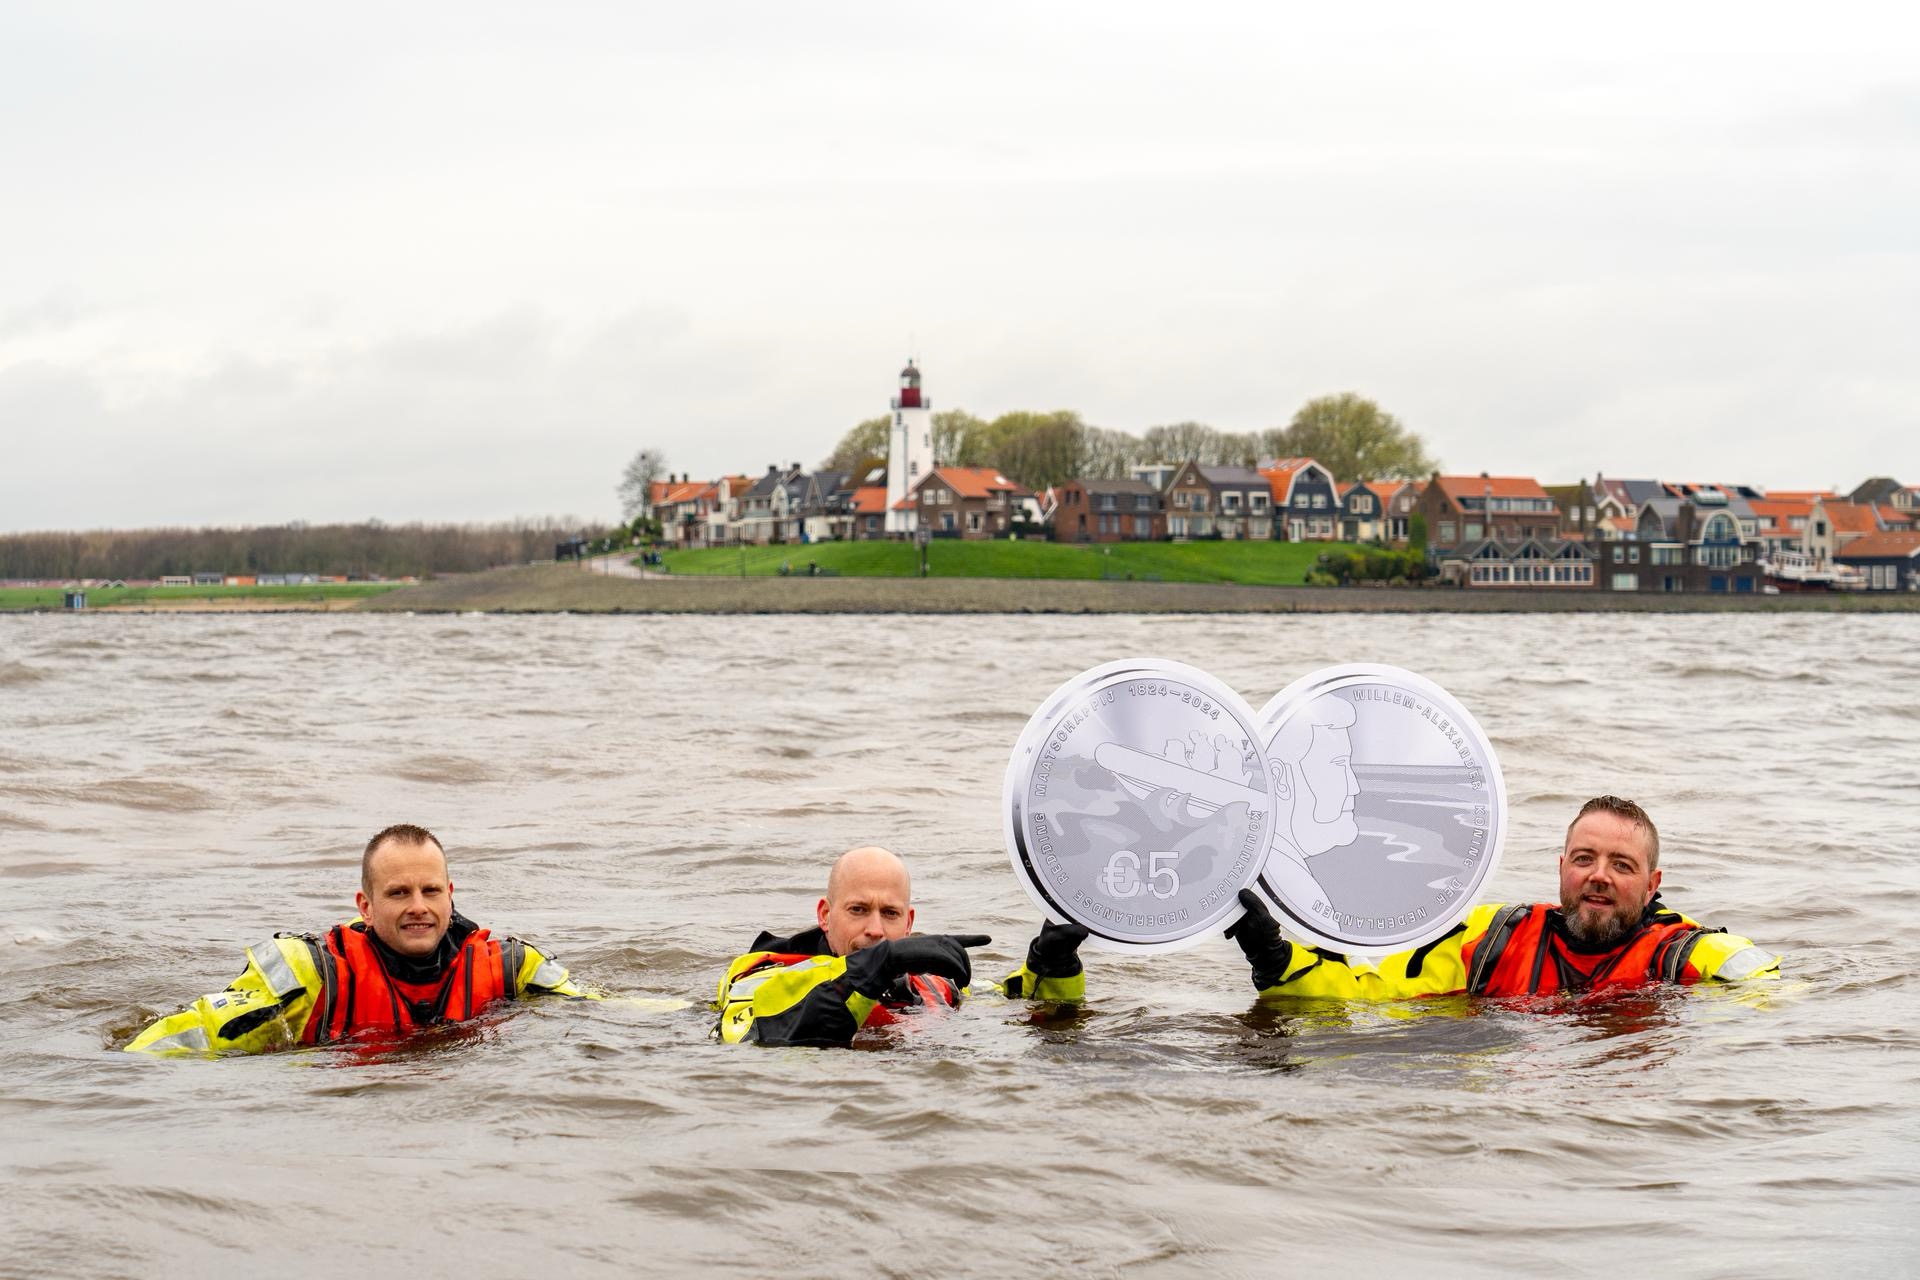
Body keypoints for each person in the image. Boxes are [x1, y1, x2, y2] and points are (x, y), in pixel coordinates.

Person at [1225, 795, 1779, 999]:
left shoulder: (1681, 954)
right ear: (1561, 869)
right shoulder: (1495, 938)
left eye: (1622, 865)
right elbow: (1373, 990)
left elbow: (1767, 990)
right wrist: (1276, 960)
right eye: (1584, 859)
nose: (1599, 876)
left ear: (1653, 885)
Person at [126, 824, 584, 1056]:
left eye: (430, 891)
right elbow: (185, 1038)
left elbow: (602, 1016)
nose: (418, 906)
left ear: (450, 894)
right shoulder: (311, 977)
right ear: (365, 906)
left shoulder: (511, 968)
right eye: (398, 893)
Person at [715, 845, 1088, 1046]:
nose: (875, 930)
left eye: (890, 914)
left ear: (909, 923)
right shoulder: (762, 974)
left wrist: (1051, 965)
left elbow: (1020, 1004)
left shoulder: (927, 982)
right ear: (825, 915)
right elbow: (749, 1037)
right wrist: (874, 967)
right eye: (858, 910)